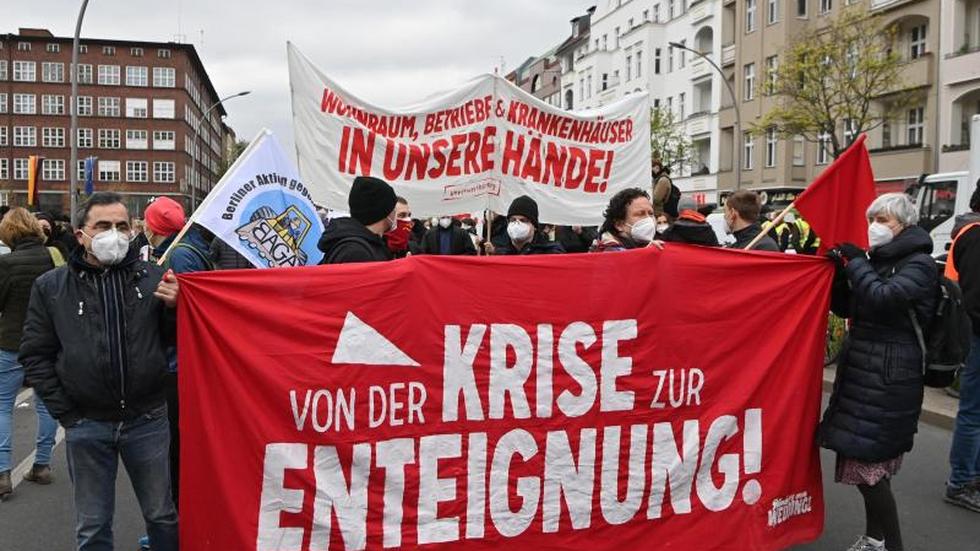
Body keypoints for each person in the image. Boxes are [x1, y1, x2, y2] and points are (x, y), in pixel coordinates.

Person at [20, 191, 179, 551]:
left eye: (122, 226)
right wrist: (69, 414)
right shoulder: (52, 287)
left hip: (147, 420)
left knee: (162, 516)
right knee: (92, 527)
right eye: (103, 226)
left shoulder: (152, 279)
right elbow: (35, 354)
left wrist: (175, 309)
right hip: (87, 424)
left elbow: (172, 343)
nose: (115, 234)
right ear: (81, 234)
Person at [820, 193, 938, 551]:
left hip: (888, 379)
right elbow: (852, 304)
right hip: (866, 374)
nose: (875, 227)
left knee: (870, 471)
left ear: (905, 224)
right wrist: (840, 275)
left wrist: (857, 264)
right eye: (873, 218)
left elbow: (883, 299)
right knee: (867, 465)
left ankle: (893, 545)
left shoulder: (919, 264)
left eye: (883, 220)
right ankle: (875, 540)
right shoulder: (881, 261)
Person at [0, 208, 61, 499]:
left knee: (1, 407)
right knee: (46, 405)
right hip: (47, 344)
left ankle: (2, 472)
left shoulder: (5, 264)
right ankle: (42, 464)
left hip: (10, 343)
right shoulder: (55, 258)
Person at [943, 183, 980, 513]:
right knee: (973, 412)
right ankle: (961, 482)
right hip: (977, 337)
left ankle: (972, 476)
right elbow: (975, 298)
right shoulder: (975, 235)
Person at [318, 176, 397, 264]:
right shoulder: (356, 253)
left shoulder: (364, 246)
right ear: (384, 211)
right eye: (393, 208)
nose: (395, 213)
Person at [591, 188, 665, 252]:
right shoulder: (608, 252)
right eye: (640, 214)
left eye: (651, 213)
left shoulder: (648, 244)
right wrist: (645, 255)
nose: (648, 219)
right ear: (619, 225)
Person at [495, 196, 565, 255]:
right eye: (513, 220)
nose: (517, 224)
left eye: (523, 220)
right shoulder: (500, 253)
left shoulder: (551, 253)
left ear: (534, 226)